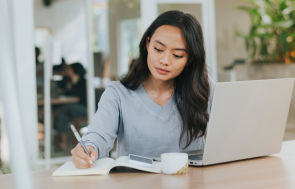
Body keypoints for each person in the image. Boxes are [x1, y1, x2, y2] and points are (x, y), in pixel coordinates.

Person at [71, 10, 215, 168]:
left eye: (177, 55)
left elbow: (229, 134)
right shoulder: (118, 93)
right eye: (158, 49)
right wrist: (89, 147)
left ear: (189, 59)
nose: (165, 61)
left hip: (192, 182)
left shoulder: (203, 88)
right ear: (147, 44)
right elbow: (98, 135)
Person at [56, 62, 88, 151]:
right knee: (62, 116)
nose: (68, 71)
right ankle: (63, 144)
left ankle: (56, 112)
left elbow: (79, 97)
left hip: (85, 109)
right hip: (74, 109)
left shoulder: (84, 82)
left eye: (70, 69)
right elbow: (68, 95)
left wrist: (74, 84)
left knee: (68, 107)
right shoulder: (69, 80)